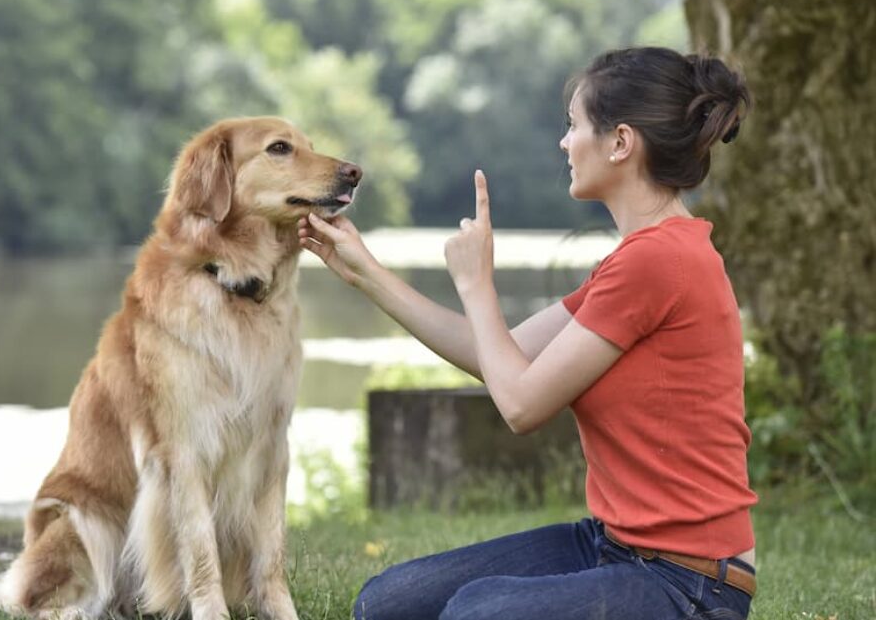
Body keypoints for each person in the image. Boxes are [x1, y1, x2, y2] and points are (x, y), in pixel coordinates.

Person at [298, 46, 759, 620]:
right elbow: (502, 356)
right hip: (613, 547)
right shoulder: (637, 259)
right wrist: (366, 273)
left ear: (620, 142)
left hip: (689, 583)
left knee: (474, 613)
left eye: (573, 126)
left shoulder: (658, 262)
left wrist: (477, 284)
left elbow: (519, 405)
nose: (565, 143)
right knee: (386, 603)